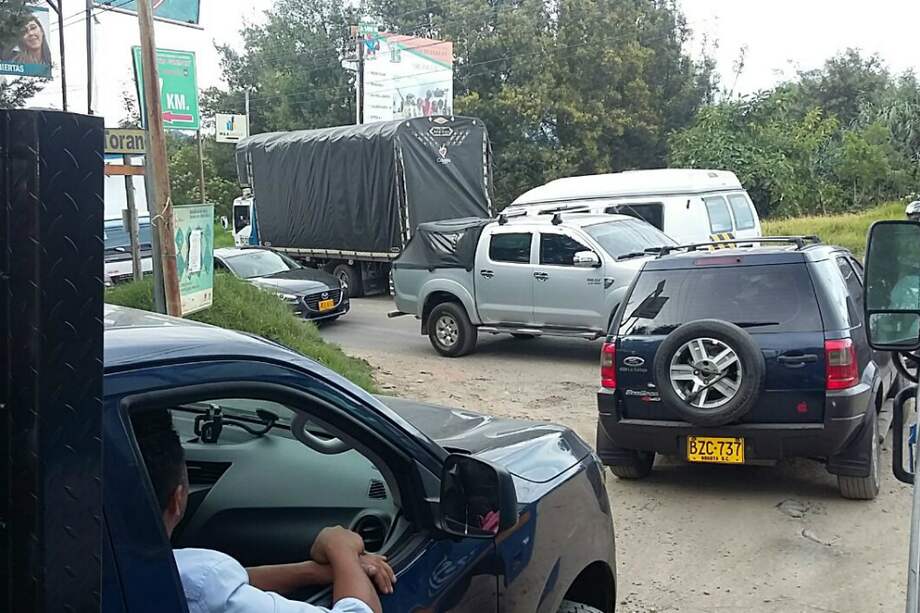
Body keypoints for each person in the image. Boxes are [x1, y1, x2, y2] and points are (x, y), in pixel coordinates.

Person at [132, 409, 394, 613]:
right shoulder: (198, 585)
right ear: (178, 499)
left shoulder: (121, 568)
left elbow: (221, 583)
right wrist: (341, 548)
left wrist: (315, 572)